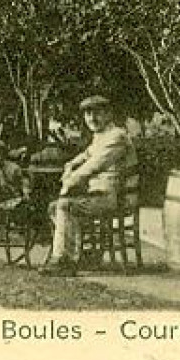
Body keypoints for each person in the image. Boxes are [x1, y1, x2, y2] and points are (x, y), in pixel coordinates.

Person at [42, 94, 136, 276]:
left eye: (97, 113)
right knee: (54, 207)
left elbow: (95, 165)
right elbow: (87, 155)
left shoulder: (117, 136)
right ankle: (78, 255)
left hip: (115, 197)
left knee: (65, 205)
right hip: (100, 194)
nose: (92, 118)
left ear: (108, 114)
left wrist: (70, 181)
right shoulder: (101, 136)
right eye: (87, 114)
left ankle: (65, 261)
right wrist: (70, 164)